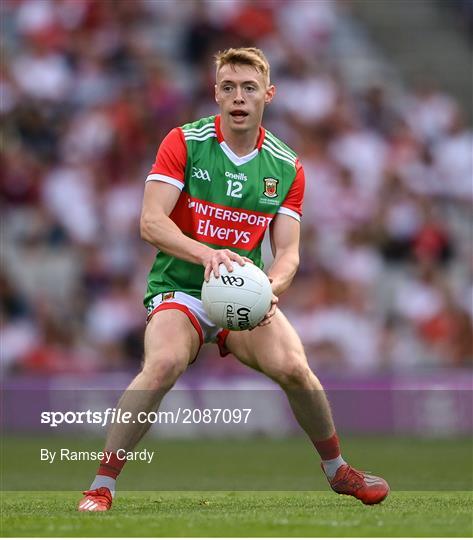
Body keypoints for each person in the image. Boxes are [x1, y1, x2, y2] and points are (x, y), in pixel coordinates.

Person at [78, 47, 389, 512]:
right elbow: (150, 222)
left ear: (269, 93)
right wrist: (208, 255)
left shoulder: (286, 166)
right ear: (216, 93)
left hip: (242, 296)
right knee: (161, 367)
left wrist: (272, 289)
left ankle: (338, 469)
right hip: (181, 287)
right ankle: (102, 485)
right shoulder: (184, 142)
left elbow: (288, 253)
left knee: (295, 368)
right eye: (228, 87)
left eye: (248, 87)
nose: (238, 96)